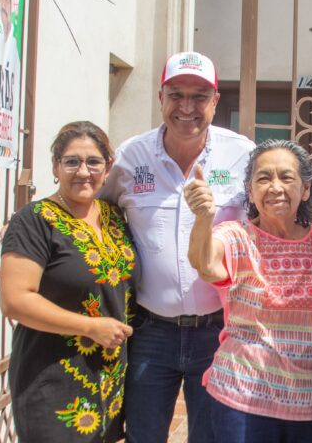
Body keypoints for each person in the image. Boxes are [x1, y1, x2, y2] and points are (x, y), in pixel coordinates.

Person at [101, 51, 255, 443]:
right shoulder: (129, 158)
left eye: (199, 96)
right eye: (177, 94)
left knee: (211, 436)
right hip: (152, 330)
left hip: (219, 331)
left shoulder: (242, 155)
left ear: (216, 101)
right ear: (161, 98)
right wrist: (35, 222)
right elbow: (86, 206)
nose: (187, 107)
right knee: (144, 435)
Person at [184, 139, 312, 443]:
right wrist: (203, 218)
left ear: (305, 189)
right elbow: (206, 265)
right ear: (250, 192)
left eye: (286, 177)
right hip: (242, 397)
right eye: (263, 178)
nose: (275, 187)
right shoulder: (237, 236)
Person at [0, 121, 140, 442]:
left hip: (109, 378)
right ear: (56, 167)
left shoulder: (114, 216)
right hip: (51, 377)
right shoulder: (34, 220)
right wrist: (90, 327)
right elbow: (16, 300)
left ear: (108, 168)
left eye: (93, 162)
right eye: (72, 161)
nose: (83, 171)